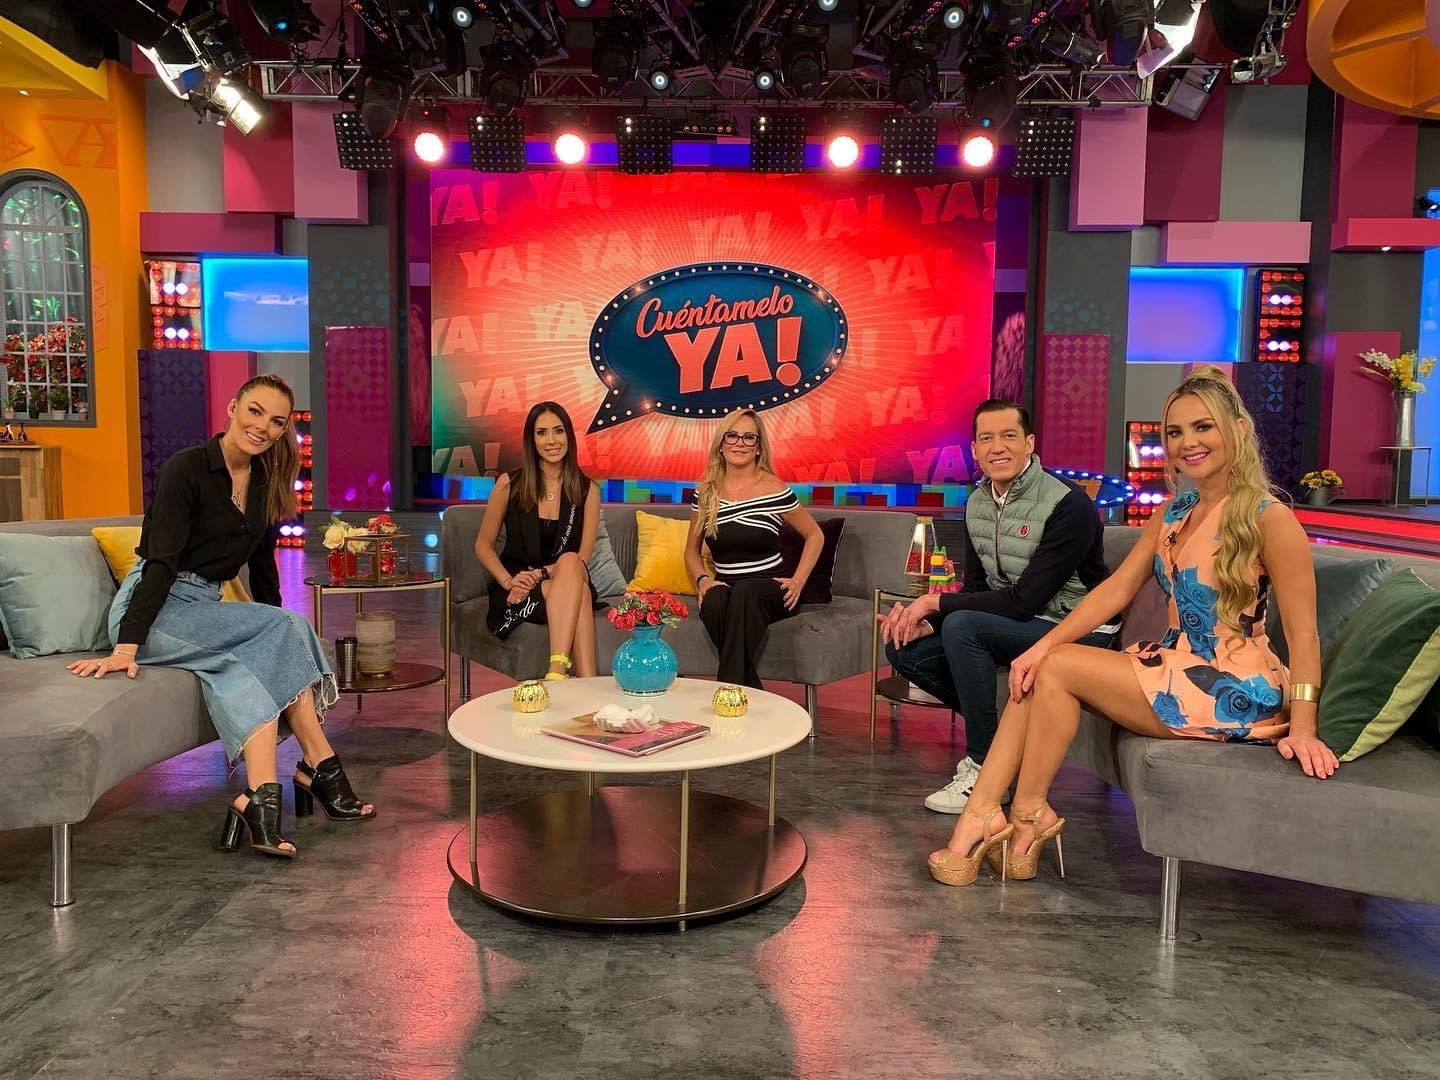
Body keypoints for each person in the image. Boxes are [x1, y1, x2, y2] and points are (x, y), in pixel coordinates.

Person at [928, 366, 1338, 888]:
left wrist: (1303, 727)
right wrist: (1041, 645)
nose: (1188, 443)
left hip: (1233, 685)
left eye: (1203, 427)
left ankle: (1008, 817)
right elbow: (1115, 591)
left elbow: (1304, 635)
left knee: (1055, 666)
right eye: (1175, 432)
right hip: (1175, 663)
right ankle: (1006, 816)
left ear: (1237, 429)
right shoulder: (1174, 511)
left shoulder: (1270, 518)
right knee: (1041, 668)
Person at [68, 373, 372, 860]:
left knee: (267, 645)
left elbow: (264, 567)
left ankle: (258, 798)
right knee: (281, 629)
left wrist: (274, 629)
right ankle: (320, 766)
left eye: (276, 421)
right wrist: (126, 646)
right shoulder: (186, 469)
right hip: (157, 606)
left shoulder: (265, 482)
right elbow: (160, 563)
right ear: (233, 408)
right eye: (255, 411)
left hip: (204, 606)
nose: (263, 427)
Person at [879, 399, 1117, 814]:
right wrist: (930, 625)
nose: (998, 447)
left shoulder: (1068, 504)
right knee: (905, 649)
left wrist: (933, 603)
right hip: (1021, 624)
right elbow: (977, 589)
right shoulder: (977, 502)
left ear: (1029, 443)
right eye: (986, 438)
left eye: (1009, 436)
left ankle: (986, 767)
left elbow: (1025, 601)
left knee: (963, 626)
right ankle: (1005, 745)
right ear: (975, 450)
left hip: (1080, 629)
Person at [685, 408, 823, 689]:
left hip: (769, 589)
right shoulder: (706, 494)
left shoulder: (775, 489)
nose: (740, 443)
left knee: (746, 592)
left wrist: (798, 581)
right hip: (728, 586)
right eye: (732, 436)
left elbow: (815, 535)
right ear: (721, 444)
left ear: (759, 447)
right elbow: (691, 552)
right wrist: (703, 581)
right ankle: (748, 690)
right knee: (714, 600)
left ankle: (728, 693)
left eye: (749, 437)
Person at [475, 400, 600, 680]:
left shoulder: (588, 490)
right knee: (579, 592)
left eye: (558, 431)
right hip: (519, 586)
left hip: (565, 575)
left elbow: (583, 558)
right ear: (532, 441)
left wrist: (540, 574)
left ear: (569, 436)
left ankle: (556, 670)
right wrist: (509, 581)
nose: (551, 440)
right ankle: (587, 682)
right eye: (542, 433)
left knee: (571, 561)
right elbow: (483, 546)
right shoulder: (509, 484)